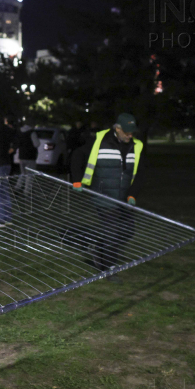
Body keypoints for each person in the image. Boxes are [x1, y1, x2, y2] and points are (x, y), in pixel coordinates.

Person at [70, 113, 144, 275]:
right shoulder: (99, 141)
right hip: (102, 195)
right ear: (117, 129)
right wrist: (77, 179)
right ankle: (108, 267)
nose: (130, 135)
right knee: (113, 232)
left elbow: (139, 174)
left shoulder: (136, 145)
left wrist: (132, 195)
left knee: (127, 231)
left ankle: (99, 248)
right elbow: (77, 155)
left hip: (124, 198)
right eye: (126, 131)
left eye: (132, 131)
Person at [14, 121, 39, 195]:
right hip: (30, 156)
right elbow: (36, 144)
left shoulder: (20, 132)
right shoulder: (32, 132)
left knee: (23, 173)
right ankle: (27, 191)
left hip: (21, 155)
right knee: (30, 174)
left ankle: (17, 187)